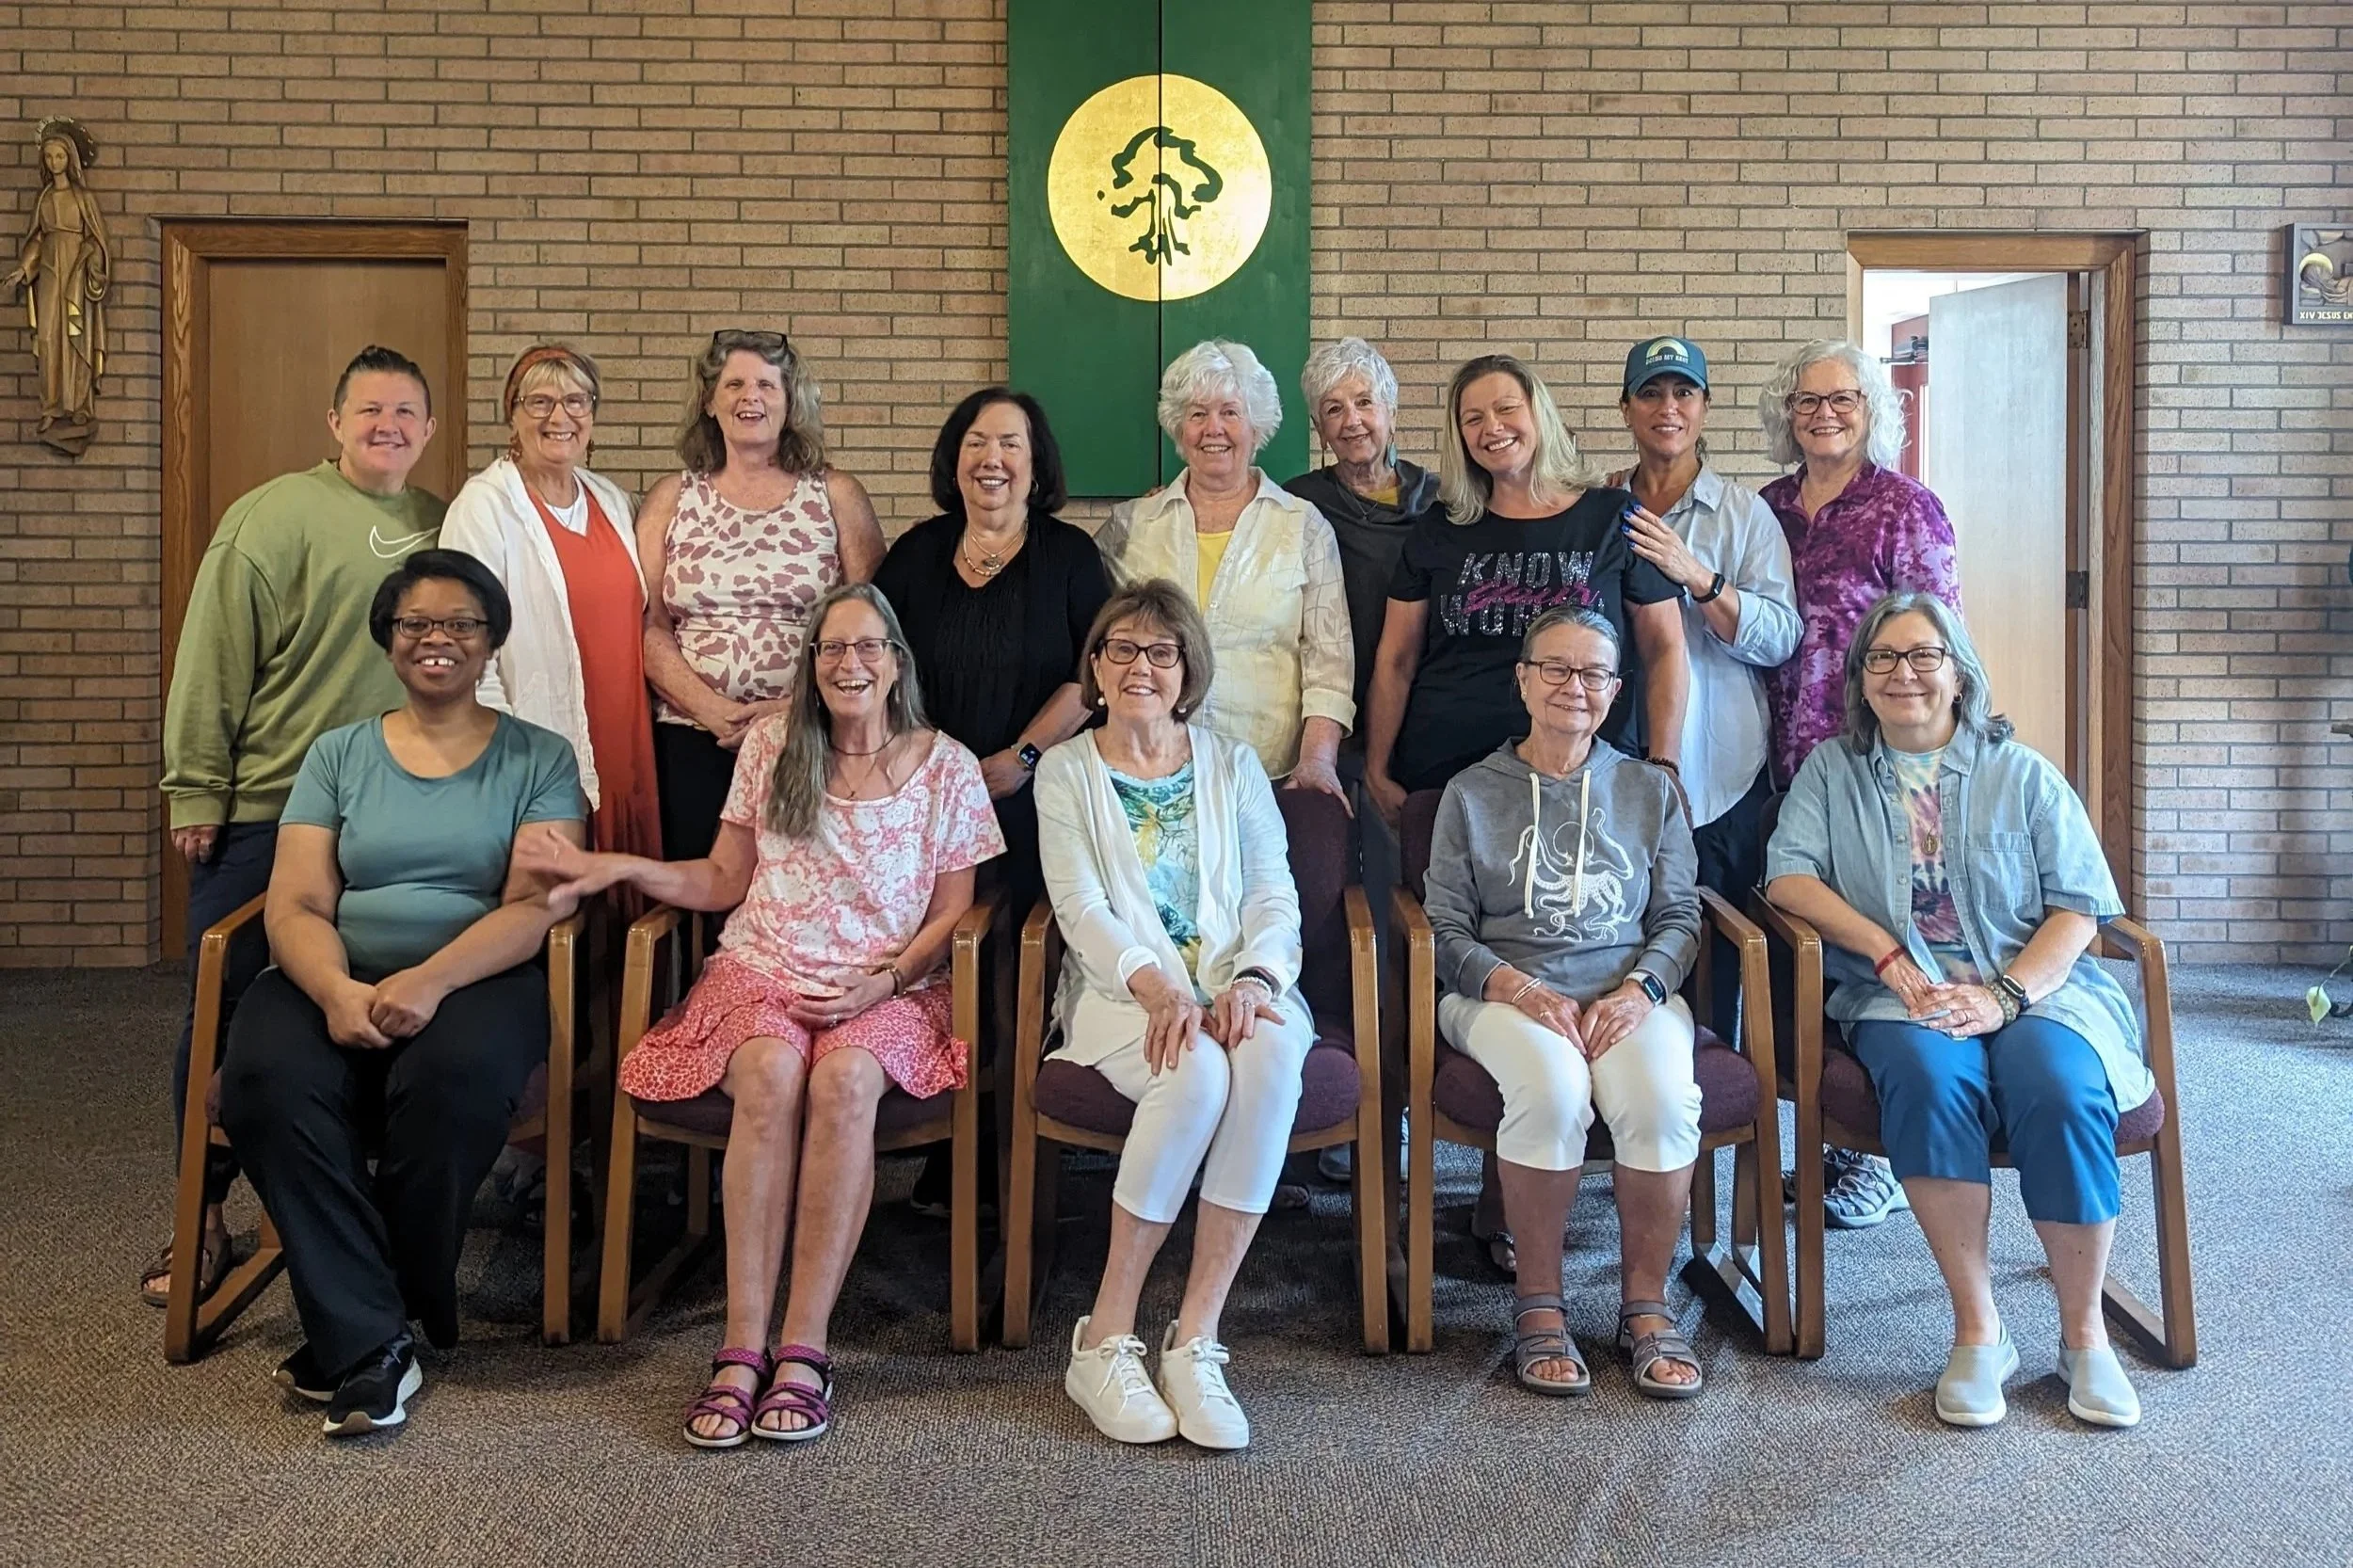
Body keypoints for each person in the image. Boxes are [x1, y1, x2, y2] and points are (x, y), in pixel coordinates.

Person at [525, 584, 1002, 1448]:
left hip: (886, 985)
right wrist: (614, 867)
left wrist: (884, 984)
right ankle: (742, 1344)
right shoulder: (774, 748)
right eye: (831, 650)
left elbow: (951, 916)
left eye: (867, 648)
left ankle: (806, 1346)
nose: (849, 664)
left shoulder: (948, 766)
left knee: (848, 1080)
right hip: (762, 970)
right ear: (811, 665)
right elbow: (718, 881)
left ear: (897, 662)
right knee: (773, 1072)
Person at [216, 551, 586, 1437]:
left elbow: (535, 907)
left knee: (451, 1086)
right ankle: (379, 1337)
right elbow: (299, 900)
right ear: (389, 641)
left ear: (490, 641)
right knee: (264, 1080)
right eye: (416, 623)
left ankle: (361, 1324)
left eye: (460, 623)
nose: (437, 639)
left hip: (481, 976)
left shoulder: (541, 755)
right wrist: (339, 990)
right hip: (329, 969)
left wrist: (431, 978)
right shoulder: (338, 753)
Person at [1765, 592, 2147, 1430]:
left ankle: (2085, 1339)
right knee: (1931, 1087)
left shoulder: (2023, 772)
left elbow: (2079, 906)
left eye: (1923, 655)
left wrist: (2006, 995)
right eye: (1883, 659)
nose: (1904, 674)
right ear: (1861, 681)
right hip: (1902, 995)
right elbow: (1789, 877)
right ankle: (1980, 1331)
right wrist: (1887, 951)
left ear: (1959, 674)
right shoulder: (1832, 772)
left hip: (2034, 993)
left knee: (2058, 1088)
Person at [151, 344, 446, 1310]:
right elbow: (213, 652)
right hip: (274, 807)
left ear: (429, 430)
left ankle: (346, 1197)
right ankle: (201, 1217)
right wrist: (196, 786)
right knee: (223, 1011)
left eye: (405, 412)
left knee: (362, 1007)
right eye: (369, 410)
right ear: (334, 422)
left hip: (395, 813)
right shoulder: (270, 518)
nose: (387, 426)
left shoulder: (441, 522)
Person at [1038, 581, 1317, 1451]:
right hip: (1125, 997)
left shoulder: (1233, 766)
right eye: (1120, 649)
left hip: (1246, 985)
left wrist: (1261, 982)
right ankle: (1105, 1337)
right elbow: (1081, 907)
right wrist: (1158, 987)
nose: (1140, 667)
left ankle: (1196, 1341)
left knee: (1268, 1060)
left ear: (1188, 668)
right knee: (1191, 1070)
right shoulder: (1065, 771)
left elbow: (1275, 892)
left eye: (1161, 652)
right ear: (1095, 665)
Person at [1420, 607, 1705, 1399]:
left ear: (1615, 691)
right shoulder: (1471, 793)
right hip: (1499, 996)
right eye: (1555, 668)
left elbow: (1682, 918)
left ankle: (1645, 1306)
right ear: (1522, 678)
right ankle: (1539, 1307)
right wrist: (1514, 986)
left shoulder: (1650, 790)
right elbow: (1443, 927)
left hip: (1628, 996)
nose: (1572, 687)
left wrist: (1643, 990)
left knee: (1659, 1099)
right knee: (1551, 1091)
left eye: (1592, 674)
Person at [873, 388, 1111, 1215]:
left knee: (1016, 968)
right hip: (928, 802)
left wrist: (1020, 757)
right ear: (954, 459)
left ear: (1035, 462)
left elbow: (1095, 674)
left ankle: (1013, 1151)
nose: (992, 460)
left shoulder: (1071, 556)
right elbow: (880, 666)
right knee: (936, 962)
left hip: (1033, 798)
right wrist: (931, 761)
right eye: (977, 443)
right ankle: (946, 1141)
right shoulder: (916, 553)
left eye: (1010, 444)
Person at [1755, 338, 1961, 1229]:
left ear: (1874, 409)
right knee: (1797, 949)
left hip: (1874, 765)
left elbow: (1936, 640)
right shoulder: (1767, 508)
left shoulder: (1906, 509)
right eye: (1806, 401)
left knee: (1873, 938)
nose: (1824, 414)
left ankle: (1867, 1152)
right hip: (1772, 764)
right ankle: (1817, 1137)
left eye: (1842, 399)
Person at [1364, 353, 1689, 830]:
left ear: (1538, 413)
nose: (1491, 427)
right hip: (1451, 777)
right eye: (1472, 418)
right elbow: (1396, 659)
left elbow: (1665, 646)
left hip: (1587, 779)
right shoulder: (1441, 527)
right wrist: (1376, 766)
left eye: (1506, 409)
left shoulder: (1611, 517)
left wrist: (1664, 763)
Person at [1608, 336, 1801, 1039]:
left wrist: (1698, 578)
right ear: (1626, 408)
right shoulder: (1602, 507)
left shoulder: (1745, 515)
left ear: (1705, 407)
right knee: (1626, 942)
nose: (1668, 408)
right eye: (1651, 393)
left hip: (1721, 774)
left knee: (1718, 960)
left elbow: (1783, 635)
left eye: (1683, 393)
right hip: (1622, 769)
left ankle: (1711, 1133)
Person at [639, 329, 886, 861]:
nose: (750, 397)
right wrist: (714, 709)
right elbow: (649, 626)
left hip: (809, 731)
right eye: (733, 385)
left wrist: (791, 708)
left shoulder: (835, 494)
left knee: (798, 886)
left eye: (767, 386)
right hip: (692, 732)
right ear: (709, 401)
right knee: (699, 886)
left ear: (790, 401)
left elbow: (872, 631)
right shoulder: (670, 498)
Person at [1283, 335, 1437, 1181]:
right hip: (1326, 733)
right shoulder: (1298, 506)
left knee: (1421, 921)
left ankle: (1408, 1105)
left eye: (1363, 404)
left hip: (1424, 734)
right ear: (1316, 423)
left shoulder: (1441, 500)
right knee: (1342, 919)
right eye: (1333, 410)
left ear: (1390, 408)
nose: (1351, 422)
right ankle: (1335, 1106)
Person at [1095, 340, 1353, 804]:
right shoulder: (1130, 525)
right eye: (1197, 414)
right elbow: (1097, 648)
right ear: (1179, 427)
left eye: (1230, 412)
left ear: (1257, 426)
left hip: (1267, 777)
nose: (1213, 428)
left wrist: (1317, 759)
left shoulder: (1304, 527)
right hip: (1144, 774)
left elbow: (1329, 665)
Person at [440, 344, 660, 857]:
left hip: (627, 737)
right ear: (512, 415)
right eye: (539, 402)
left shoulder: (610, 499)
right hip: (540, 738)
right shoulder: (483, 506)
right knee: (556, 905)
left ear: (593, 416)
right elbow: (463, 638)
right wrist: (497, 753)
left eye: (576, 402)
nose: (559, 417)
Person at [3, 119, 111, 455]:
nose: (54, 163)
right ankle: (51, 408)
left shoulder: (82, 198)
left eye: (60, 157)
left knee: (74, 336)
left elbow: (97, 239)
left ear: (71, 159)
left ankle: (78, 406)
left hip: (75, 273)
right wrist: (23, 270)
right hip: (49, 272)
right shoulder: (45, 199)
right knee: (50, 337)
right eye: (49, 157)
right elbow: (36, 239)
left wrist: (91, 258)